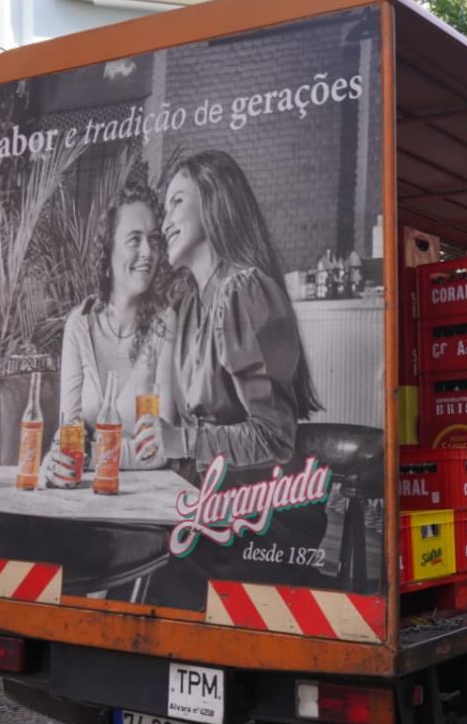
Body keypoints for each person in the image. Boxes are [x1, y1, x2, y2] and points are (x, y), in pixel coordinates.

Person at [134, 149, 321, 472]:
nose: (164, 225)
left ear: (213, 201)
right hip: (201, 492)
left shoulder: (244, 292)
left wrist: (183, 440)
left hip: (250, 499)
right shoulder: (189, 305)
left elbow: (274, 440)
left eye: (177, 202)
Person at [42, 180, 173, 486]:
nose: (148, 252)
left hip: (146, 498)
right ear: (109, 248)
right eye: (135, 239)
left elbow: (161, 449)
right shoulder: (79, 324)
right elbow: (70, 429)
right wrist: (56, 460)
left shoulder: (165, 325)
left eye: (153, 239)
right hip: (88, 493)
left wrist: (88, 456)